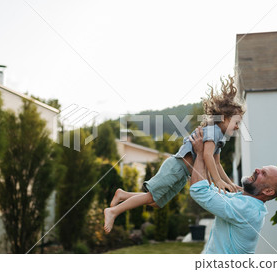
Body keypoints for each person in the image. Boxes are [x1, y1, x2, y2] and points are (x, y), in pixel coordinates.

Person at [104, 76, 244, 233]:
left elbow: (217, 164)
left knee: (155, 203)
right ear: (224, 118)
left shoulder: (219, 137)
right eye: (236, 122)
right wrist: (217, 181)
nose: (238, 127)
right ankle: (113, 211)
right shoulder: (213, 130)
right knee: (151, 197)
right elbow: (207, 156)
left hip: (182, 174)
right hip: (176, 167)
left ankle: (123, 194)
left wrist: (229, 183)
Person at [189, 127, 277, 254]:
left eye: (264, 173)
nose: (257, 170)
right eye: (261, 168)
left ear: (268, 191)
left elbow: (199, 190)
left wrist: (200, 154)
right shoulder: (244, 201)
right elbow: (210, 189)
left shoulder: (247, 209)